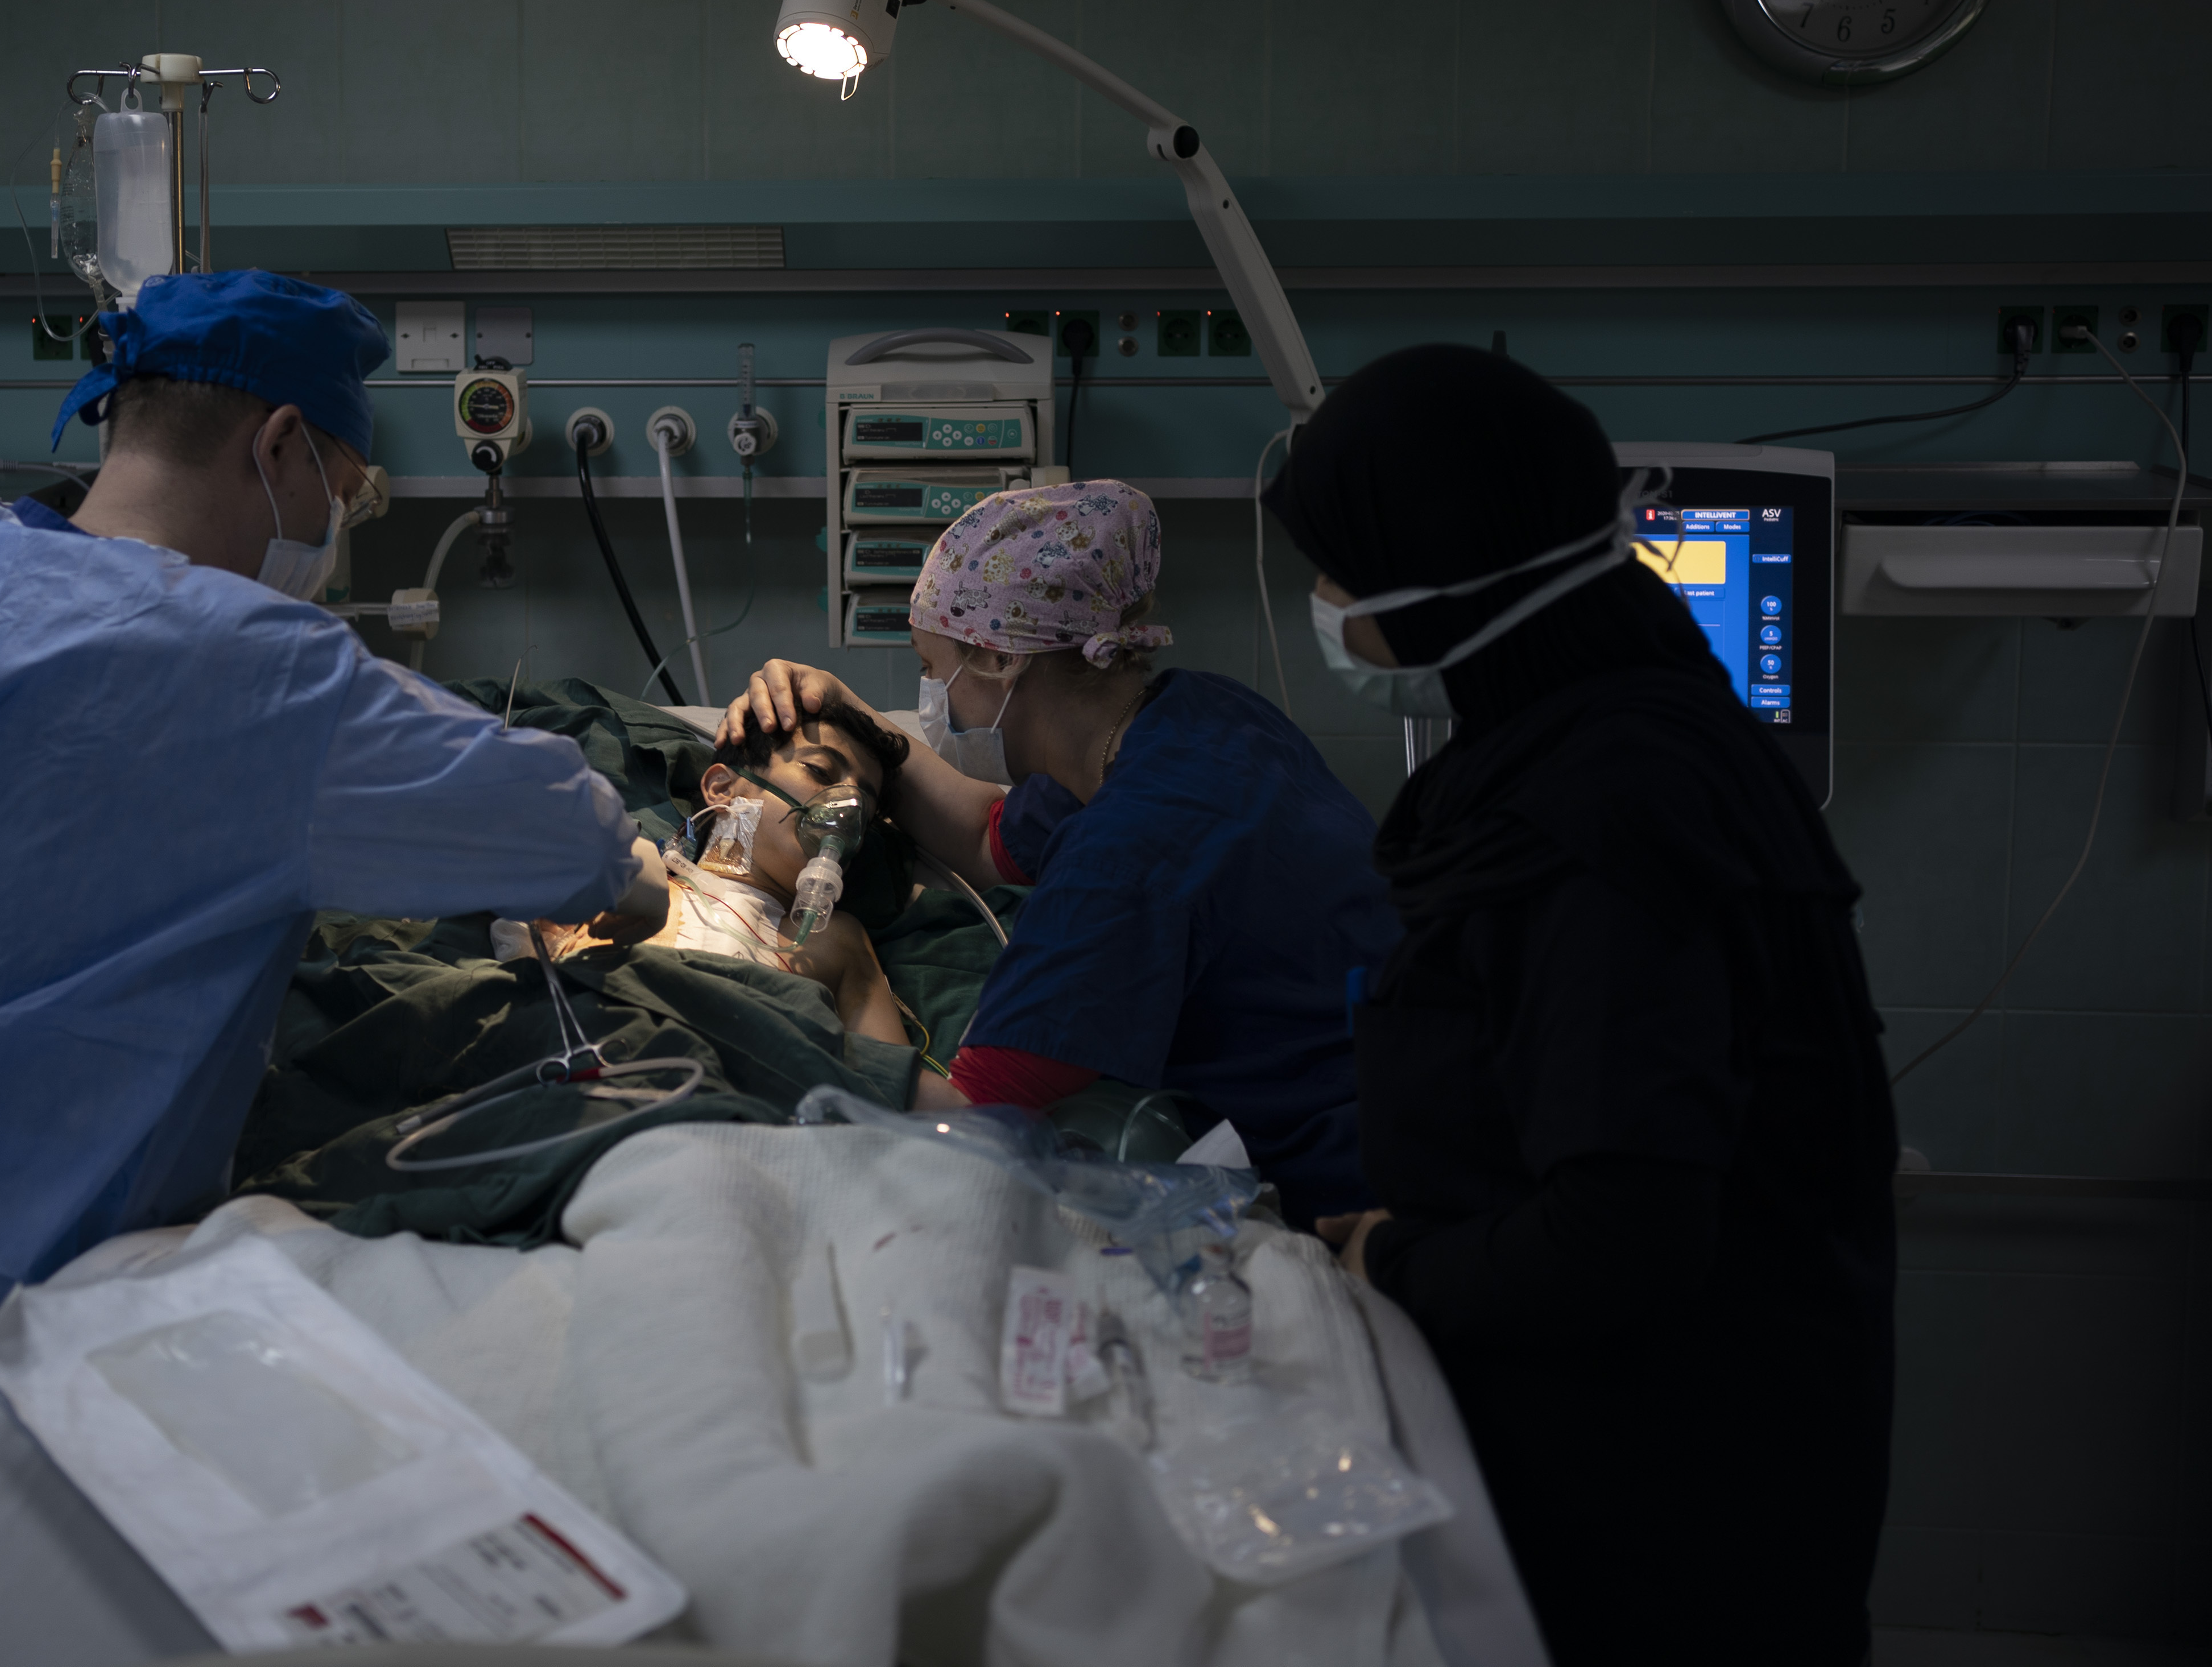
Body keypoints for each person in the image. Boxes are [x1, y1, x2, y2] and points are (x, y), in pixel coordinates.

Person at [0, 271, 662, 1665]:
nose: (337, 522)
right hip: (22, 1258)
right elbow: (574, 844)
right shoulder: (251, 674)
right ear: (281, 446)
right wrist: (641, 877)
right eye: (344, 481)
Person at [1265, 345, 1895, 1667]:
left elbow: (1623, 1231)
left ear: (1437, 581)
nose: (1324, 607)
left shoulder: (1610, 819)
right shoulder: (1613, 727)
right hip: (1637, 1436)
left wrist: (1389, 1260)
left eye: (1338, 573)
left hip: (1665, 1495)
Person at [720, 479, 1398, 1221]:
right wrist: (849, 714)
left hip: (1365, 1179)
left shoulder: (1125, 858)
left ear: (1000, 661)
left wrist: (844, 985)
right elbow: (985, 834)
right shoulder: (1194, 717)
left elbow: (965, 1129)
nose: (927, 694)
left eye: (927, 666)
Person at [543, 700, 925, 1061]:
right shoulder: (631, 881)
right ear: (723, 789)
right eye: (821, 772)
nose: (847, 809)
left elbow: (893, 1087)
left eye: (865, 808)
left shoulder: (833, 940)